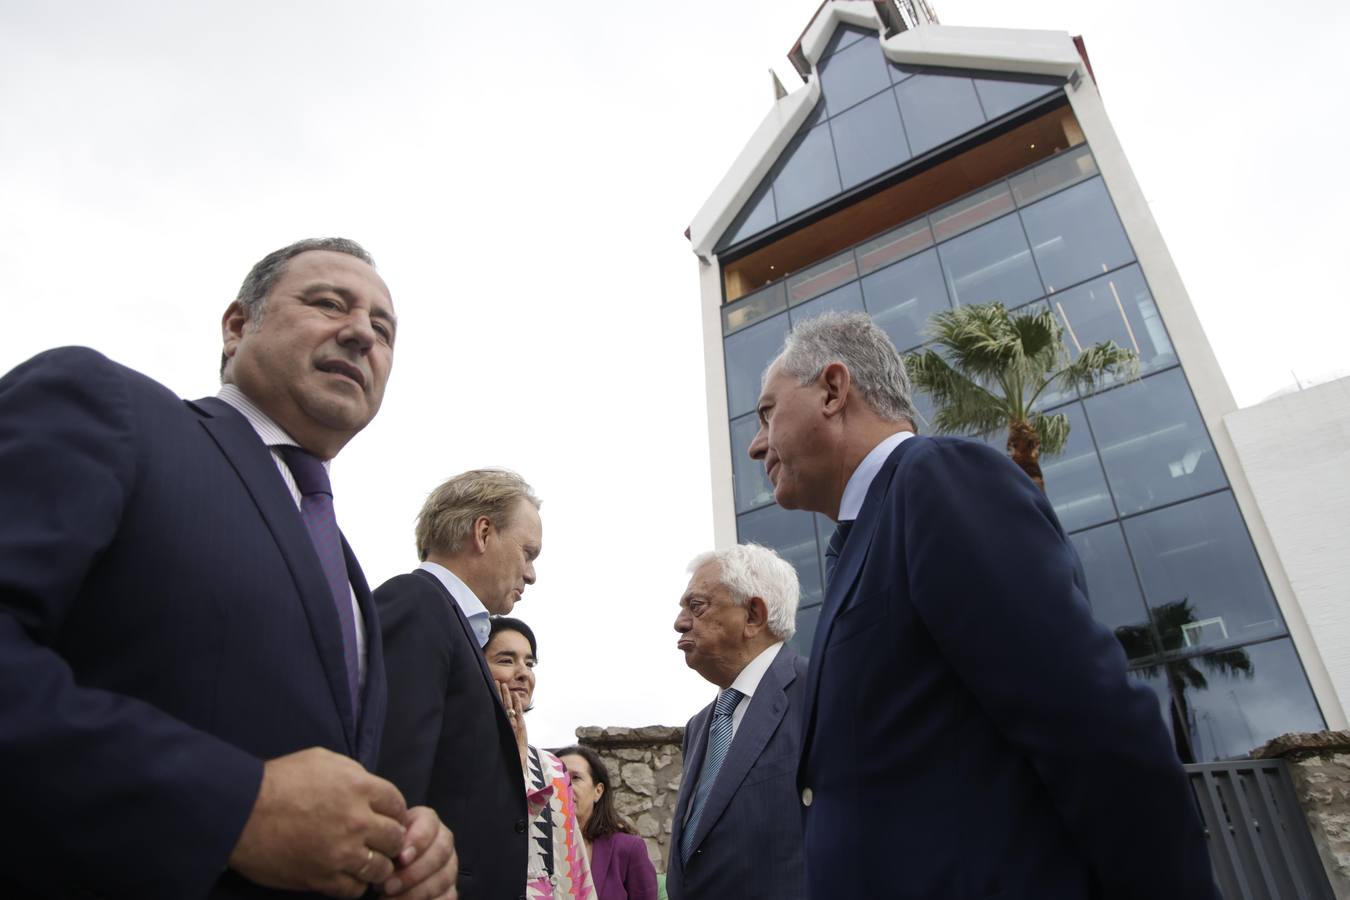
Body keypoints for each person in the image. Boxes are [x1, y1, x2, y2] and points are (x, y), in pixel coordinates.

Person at [0, 237, 457, 899]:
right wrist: (230, 805)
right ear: (238, 326)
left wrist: (405, 848)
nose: (362, 334)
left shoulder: (350, 573)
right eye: (330, 304)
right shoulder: (108, 408)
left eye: (384, 329)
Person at [745, 311, 1219, 899]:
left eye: (767, 412)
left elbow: (1091, 724)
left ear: (833, 391)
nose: (756, 444)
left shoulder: (936, 479)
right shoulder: (860, 539)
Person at [377, 469, 543, 899]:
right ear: (483, 532)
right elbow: (390, 785)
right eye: (528, 553)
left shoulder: (451, 624)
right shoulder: (418, 606)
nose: (531, 574)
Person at [666, 544, 808, 900]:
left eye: (695, 606)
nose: (680, 622)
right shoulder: (700, 727)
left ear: (753, 616)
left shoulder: (821, 692)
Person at [485, 617, 595, 900]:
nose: (524, 673)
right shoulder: (454, 752)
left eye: (530, 663)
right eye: (507, 660)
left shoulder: (553, 768)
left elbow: (575, 871)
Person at [554, 745, 658, 900]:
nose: (565, 785)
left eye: (575, 778)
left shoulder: (628, 849)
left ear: (598, 791)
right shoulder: (537, 846)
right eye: (558, 777)